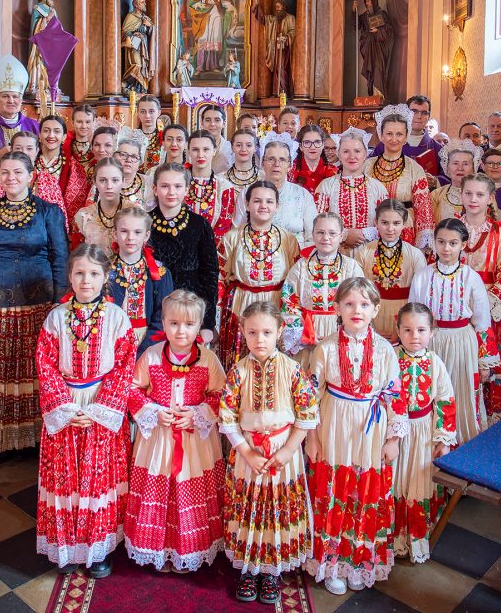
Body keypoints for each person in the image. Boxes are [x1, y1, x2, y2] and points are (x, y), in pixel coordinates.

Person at [34, 245, 135, 577]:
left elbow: (124, 367)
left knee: (97, 479)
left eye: (93, 274)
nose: (86, 280)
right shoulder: (56, 317)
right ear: (70, 276)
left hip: (101, 404)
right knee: (66, 479)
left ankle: (98, 548)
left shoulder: (118, 318)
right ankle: (67, 547)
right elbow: (46, 365)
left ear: (105, 277)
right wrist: (64, 408)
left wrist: (99, 409)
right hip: (65, 403)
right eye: (79, 273)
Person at [0, 152, 69, 452]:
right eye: (5, 172)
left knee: (34, 368)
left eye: (18, 172)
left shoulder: (49, 212)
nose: (11, 178)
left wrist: (60, 303)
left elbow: (60, 258)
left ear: (31, 176)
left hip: (39, 303)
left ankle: (34, 438)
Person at [305, 277, 405, 594]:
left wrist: (393, 438)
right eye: (348, 304)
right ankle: (332, 563)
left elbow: (395, 395)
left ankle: (359, 561)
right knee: (334, 490)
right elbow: (310, 398)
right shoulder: (325, 348)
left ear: (376, 309)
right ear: (337, 308)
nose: (356, 310)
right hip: (333, 428)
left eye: (364, 304)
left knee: (364, 493)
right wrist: (312, 438)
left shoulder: (386, 350)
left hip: (370, 431)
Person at [220, 301, 318, 604]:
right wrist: (246, 451)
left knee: (277, 510)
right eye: (252, 332)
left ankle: (272, 570)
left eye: (266, 332)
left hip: (282, 454)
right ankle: (249, 568)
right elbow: (227, 417)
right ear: (243, 332)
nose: (259, 339)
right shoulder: (238, 371)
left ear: (279, 331)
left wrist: (289, 450)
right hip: (248, 453)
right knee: (249, 508)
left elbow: (307, 415)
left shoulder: (293, 370)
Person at [124, 289, 225, 572]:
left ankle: (188, 550)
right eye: (174, 323)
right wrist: (154, 412)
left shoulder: (208, 359)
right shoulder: (152, 356)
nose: (181, 331)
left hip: (195, 443)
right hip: (158, 440)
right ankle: (158, 549)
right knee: (158, 491)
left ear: (199, 326)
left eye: (189, 324)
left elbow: (221, 394)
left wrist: (196, 414)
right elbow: (132, 389)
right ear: (165, 323)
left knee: (189, 491)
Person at [409, 218, 498, 445]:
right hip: (431, 343)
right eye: (441, 242)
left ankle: (462, 447)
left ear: (463, 245)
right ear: (434, 242)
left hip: (462, 343)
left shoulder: (471, 277)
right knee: (431, 391)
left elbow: (482, 321)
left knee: (461, 393)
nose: (446, 248)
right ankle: (430, 445)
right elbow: (413, 314)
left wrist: (484, 361)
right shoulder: (422, 276)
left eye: (453, 243)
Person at [390, 303, 456, 564]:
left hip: (423, 434)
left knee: (418, 482)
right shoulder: (390, 358)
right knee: (395, 481)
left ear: (432, 332)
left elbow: (445, 401)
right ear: (398, 330)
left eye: (421, 330)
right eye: (407, 330)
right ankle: (392, 540)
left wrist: (443, 440)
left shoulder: (435, 363)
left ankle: (416, 538)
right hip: (394, 434)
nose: (414, 336)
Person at [219, 181, 300, 363]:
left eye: (269, 201)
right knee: (240, 361)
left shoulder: (288, 239)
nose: (263, 206)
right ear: (247, 205)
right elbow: (220, 277)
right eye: (257, 201)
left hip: (276, 305)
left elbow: (295, 281)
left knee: (275, 362)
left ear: (277, 206)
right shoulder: (232, 237)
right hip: (241, 305)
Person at [461, 174, 501, 420]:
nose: (473, 199)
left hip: (490, 313)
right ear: (461, 195)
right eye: (468, 193)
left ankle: (490, 424)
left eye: (480, 194)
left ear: (490, 198)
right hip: (457, 312)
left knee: (488, 369)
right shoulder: (450, 229)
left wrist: (481, 311)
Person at [148, 163, 219, 346]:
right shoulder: (144, 224)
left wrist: (208, 323)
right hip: (154, 312)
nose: (171, 192)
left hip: (190, 312)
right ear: (155, 189)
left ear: (187, 189)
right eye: (165, 186)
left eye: (178, 186)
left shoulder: (199, 225)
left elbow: (210, 276)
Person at [281, 213, 364, 362]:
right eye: (320, 232)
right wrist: (305, 334)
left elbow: (361, 303)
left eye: (332, 233)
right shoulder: (300, 267)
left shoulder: (352, 267)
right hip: (309, 333)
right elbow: (289, 303)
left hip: (342, 330)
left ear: (341, 236)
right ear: (313, 235)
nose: (326, 238)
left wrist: (346, 331)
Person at [364, 105, 436, 250]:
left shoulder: (414, 168)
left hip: (404, 228)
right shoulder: (367, 165)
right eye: (389, 134)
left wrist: (423, 244)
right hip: (373, 227)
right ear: (381, 135)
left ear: (406, 136)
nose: (394, 139)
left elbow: (423, 208)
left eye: (399, 134)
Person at [354, 199, 428, 340]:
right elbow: (356, 292)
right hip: (372, 314)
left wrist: (407, 328)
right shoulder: (364, 252)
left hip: (404, 314)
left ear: (404, 224)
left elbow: (421, 295)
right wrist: (367, 327)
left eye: (396, 223)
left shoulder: (415, 254)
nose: (390, 228)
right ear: (376, 222)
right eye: (384, 223)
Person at [107, 206, 174, 353]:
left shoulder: (160, 273)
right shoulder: (104, 272)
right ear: (115, 234)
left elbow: (163, 315)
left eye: (137, 232)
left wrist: (144, 351)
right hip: (112, 342)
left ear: (146, 235)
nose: (130, 238)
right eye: (124, 231)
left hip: (149, 344)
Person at [315, 131, 389, 252]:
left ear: (365, 154)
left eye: (357, 151)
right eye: (346, 151)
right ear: (339, 155)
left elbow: (387, 223)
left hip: (370, 254)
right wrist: (344, 234)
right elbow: (317, 222)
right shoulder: (326, 186)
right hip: (335, 253)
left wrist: (364, 234)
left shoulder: (378, 188)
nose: (352, 156)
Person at [255, 136, 318, 247]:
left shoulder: (303, 195)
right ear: (262, 163)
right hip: (257, 254)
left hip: (297, 255)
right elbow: (239, 232)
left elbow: (312, 237)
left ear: (290, 166)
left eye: (282, 160)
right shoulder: (249, 193)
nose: (276, 164)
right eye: (271, 159)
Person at [35, 114, 89, 227]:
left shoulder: (73, 167)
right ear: (39, 135)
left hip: (59, 224)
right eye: (46, 131)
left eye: (57, 131)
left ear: (64, 137)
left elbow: (75, 204)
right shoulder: (29, 163)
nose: (51, 135)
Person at [373, 95, 443, 177]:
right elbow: (370, 172)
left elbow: (448, 177)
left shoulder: (438, 149)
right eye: (414, 111)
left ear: (429, 117)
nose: (419, 116)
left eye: (424, 113)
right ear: (406, 114)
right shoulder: (386, 145)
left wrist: (435, 181)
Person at [184, 131, 237, 239]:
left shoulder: (225, 187)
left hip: (213, 246)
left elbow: (223, 227)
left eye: (206, 149)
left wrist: (207, 246)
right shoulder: (178, 184)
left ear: (214, 151)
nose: (200, 155)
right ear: (188, 152)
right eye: (195, 149)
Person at [0, 53, 40, 149]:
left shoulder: (34, 126)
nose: (11, 101)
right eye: (5, 96)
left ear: (21, 100)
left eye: (15, 96)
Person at [74, 157, 124, 251]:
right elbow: (77, 253)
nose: (109, 186)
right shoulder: (82, 216)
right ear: (95, 182)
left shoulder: (134, 212)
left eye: (115, 180)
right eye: (102, 180)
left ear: (123, 181)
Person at [431, 139, 481, 222]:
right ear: (447, 167)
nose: (460, 168)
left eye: (465, 164)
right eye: (455, 163)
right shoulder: (436, 195)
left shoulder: (483, 195)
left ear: (474, 168)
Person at [357, 0, 393, 98]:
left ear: (374, 1)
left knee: (379, 68)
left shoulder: (382, 14)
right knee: (371, 70)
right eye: (366, 2)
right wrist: (354, 11)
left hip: (379, 47)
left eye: (369, 1)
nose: (367, 4)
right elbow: (357, 25)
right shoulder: (364, 16)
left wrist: (378, 31)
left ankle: (380, 95)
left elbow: (389, 29)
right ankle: (372, 95)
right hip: (368, 47)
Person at [289, 123, 338, 196]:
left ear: (323, 145)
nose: (312, 147)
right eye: (307, 142)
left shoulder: (333, 172)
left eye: (317, 142)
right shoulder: (290, 171)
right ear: (301, 146)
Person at [122, 0, 155, 95]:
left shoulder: (146, 18)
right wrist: (128, 37)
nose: (145, 4)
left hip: (144, 43)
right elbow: (125, 29)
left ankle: (138, 88)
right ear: (136, 5)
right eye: (142, 2)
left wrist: (150, 26)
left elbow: (152, 32)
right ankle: (125, 83)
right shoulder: (130, 16)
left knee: (143, 66)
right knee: (137, 65)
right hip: (135, 41)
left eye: (144, 2)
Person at [219, 128, 262, 204]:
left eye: (249, 145)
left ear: (255, 148)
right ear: (232, 147)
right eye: (239, 145)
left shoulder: (263, 177)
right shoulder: (221, 179)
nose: (243, 149)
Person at [115, 134, 154, 208]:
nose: (128, 160)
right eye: (123, 155)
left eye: (134, 157)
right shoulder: (103, 181)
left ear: (140, 161)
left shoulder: (149, 183)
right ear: (114, 157)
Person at [200, 105, 232, 173]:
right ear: (202, 123)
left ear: (223, 124)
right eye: (208, 120)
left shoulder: (231, 148)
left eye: (217, 120)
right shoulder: (193, 147)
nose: (212, 124)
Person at [136, 94, 163, 170]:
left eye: (151, 111)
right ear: (138, 113)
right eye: (143, 111)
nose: (147, 115)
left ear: (158, 113)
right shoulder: (132, 136)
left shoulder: (164, 138)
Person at [67, 104, 96, 170]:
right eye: (79, 122)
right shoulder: (65, 145)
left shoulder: (100, 145)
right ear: (72, 123)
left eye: (88, 122)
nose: (84, 126)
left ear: (93, 122)